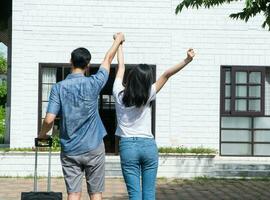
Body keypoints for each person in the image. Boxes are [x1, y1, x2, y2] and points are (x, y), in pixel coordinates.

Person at [38, 33, 125, 200]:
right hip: (93, 146)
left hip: (70, 149)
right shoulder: (94, 82)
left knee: (73, 193)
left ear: (70, 61)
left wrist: (42, 135)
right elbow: (107, 59)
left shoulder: (58, 88)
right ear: (88, 64)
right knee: (96, 193)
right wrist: (117, 40)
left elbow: (49, 119)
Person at [113, 44, 195, 200]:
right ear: (146, 81)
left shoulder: (118, 94)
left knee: (134, 195)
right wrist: (187, 60)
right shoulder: (148, 93)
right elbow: (167, 74)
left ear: (131, 78)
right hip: (148, 146)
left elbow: (121, 67)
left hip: (128, 147)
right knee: (149, 194)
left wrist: (119, 43)